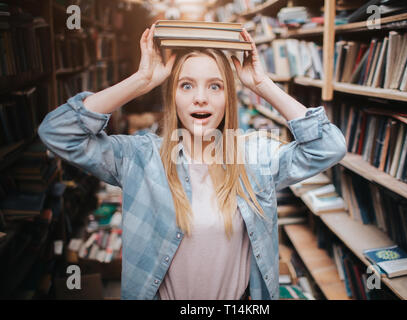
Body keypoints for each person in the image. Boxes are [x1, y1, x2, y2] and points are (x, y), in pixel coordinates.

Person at [38, 24, 347, 300]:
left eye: (215, 86)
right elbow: (58, 133)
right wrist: (141, 80)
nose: (201, 98)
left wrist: (261, 84)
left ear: (228, 97)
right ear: (173, 96)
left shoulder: (255, 158)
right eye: (186, 85)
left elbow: (328, 147)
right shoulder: (141, 158)